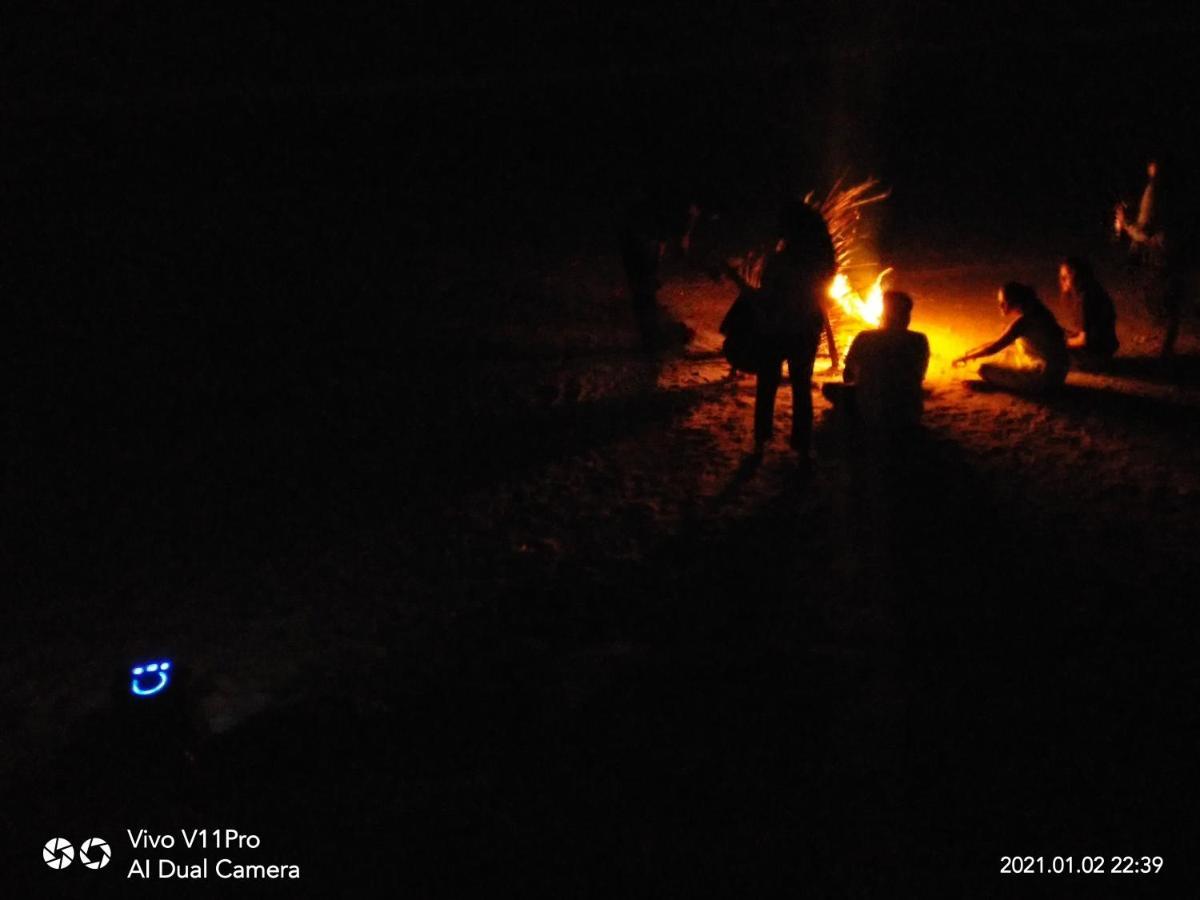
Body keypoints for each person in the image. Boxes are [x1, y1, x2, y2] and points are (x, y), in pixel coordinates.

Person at [752, 200, 838, 459]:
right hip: (805, 326)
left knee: (767, 383)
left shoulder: (780, 261)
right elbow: (823, 286)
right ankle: (801, 444)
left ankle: (761, 438)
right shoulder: (821, 260)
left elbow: (767, 290)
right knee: (801, 386)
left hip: (776, 325)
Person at [822, 291, 930, 430]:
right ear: (907, 315)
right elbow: (919, 375)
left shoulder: (865, 337)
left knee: (830, 389)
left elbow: (848, 375)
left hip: (870, 408)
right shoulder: (919, 339)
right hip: (907, 409)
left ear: (884, 313)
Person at [1114, 157, 1187, 357]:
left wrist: (1126, 224)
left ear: (1154, 167)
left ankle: (1165, 350)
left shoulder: (1155, 190)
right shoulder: (1179, 186)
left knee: (1158, 296)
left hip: (1160, 251)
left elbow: (1145, 232)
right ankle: (1166, 345)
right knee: (1169, 297)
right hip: (1178, 248)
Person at [952, 282, 1069, 393]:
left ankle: (999, 386)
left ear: (1014, 302)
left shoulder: (1024, 321)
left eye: (1003, 303)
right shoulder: (1040, 311)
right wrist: (972, 352)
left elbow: (993, 348)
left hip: (1045, 378)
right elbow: (1000, 342)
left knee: (984, 368)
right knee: (1005, 354)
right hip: (1058, 372)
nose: (1000, 306)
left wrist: (965, 358)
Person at [1058, 257, 1118, 370]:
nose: (1062, 280)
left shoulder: (1085, 299)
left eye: (1066, 277)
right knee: (1058, 333)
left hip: (1097, 355)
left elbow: (1084, 340)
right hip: (1102, 347)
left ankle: (1092, 363)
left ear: (1076, 277)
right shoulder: (1091, 288)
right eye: (1061, 277)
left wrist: (1062, 343)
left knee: (1053, 348)